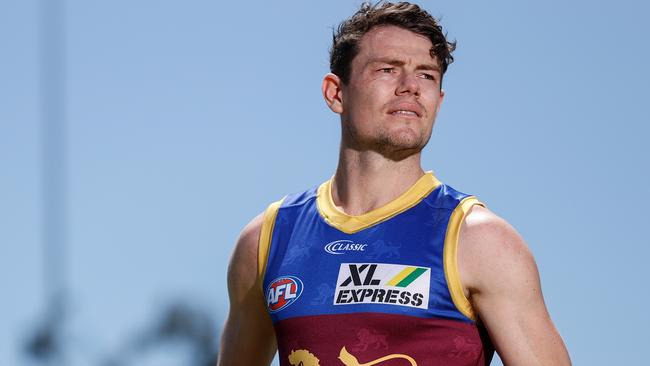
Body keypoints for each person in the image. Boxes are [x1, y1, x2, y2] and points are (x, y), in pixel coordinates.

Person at [217, 2, 571, 365]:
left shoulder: (481, 241)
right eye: (388, 70)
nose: (411, 87)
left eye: (427, 75)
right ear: (336, 93)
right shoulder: (269, 239)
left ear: (439, 100)